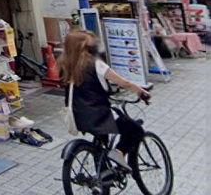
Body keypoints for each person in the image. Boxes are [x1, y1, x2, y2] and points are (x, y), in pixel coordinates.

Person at [60, 30, 151, 172]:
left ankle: (103, 175)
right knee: (135, 129)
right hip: (99, 116)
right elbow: (124, 83)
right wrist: (141, 91)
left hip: (79, 116)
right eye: (91, 42)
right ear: (85, 46)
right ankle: (119, 153)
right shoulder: (96, 64)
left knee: (101, 145)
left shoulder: (66, 65)